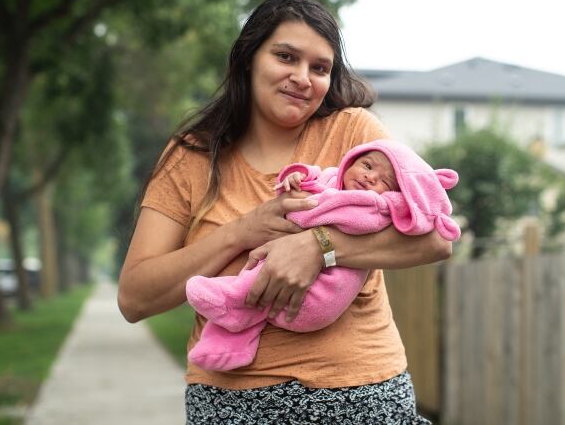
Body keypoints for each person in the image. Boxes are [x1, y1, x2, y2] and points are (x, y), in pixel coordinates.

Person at [117, 0, 450, 424]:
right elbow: (134, 297)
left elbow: (438, 237)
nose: (302, 78)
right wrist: (242, 231)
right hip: (232, 405)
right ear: (249, 58)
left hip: (364, 397)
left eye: (320, 68)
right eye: (286, 57)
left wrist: (321, 246)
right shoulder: (192, 157)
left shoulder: (356, 134)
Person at [185, 139, 461, 372]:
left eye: (385, 181)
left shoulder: (376, 206)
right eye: (366, 166)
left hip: (321, 297)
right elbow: (312, 179)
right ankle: (227, 346)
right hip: (239, 388)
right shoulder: (333, 179)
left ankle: (232, 298)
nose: (369, 177)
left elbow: (433, 242)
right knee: (263, 281)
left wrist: (317, 240)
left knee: (263, 277)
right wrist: (295, 179)